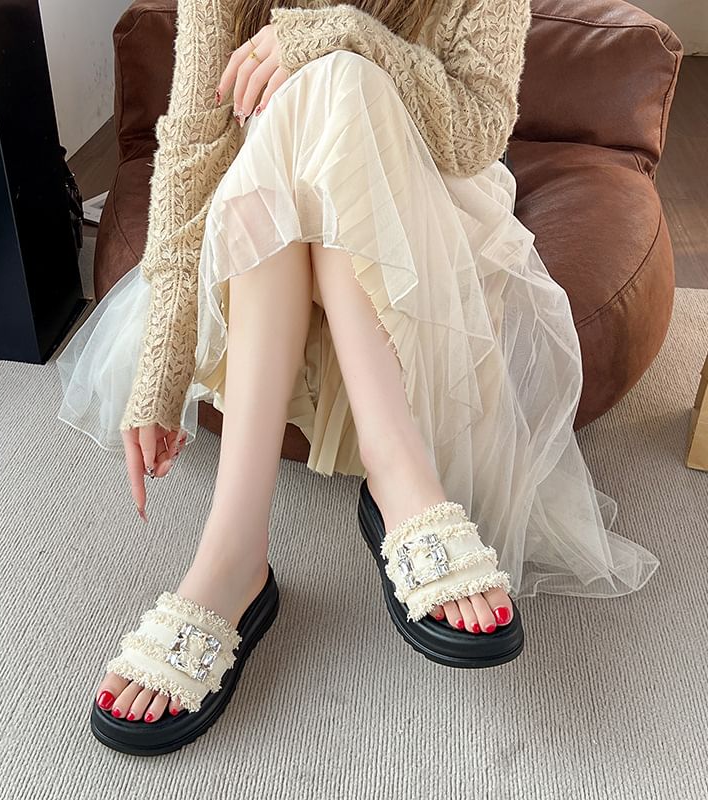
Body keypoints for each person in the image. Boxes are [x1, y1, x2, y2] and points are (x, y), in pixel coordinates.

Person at [56, 0, 660, 755]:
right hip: (269, 230)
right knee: (300, 101)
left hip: (429, 220)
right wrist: (163, 364)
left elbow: (476, 133)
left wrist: (346, 36)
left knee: (335, 78)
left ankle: (367, 477)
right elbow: (192, 147)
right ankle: (239, 545)